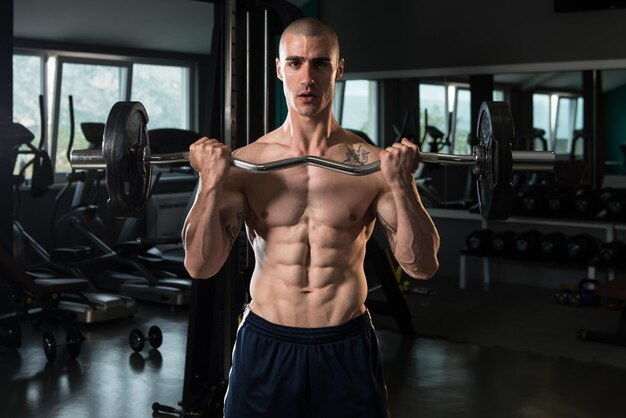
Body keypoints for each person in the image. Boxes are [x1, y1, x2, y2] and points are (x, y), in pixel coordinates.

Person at [183, 17, 440, 418]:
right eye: (296, 62)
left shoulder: (372, 166)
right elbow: (200, 267)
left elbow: (421, 267)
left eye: (320, 63)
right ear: (278, 68)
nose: (307, 77)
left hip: (346, 345)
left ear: (339, 68)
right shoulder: (247, 165)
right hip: (266, 342)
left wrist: (403, 185)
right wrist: (211, 184)